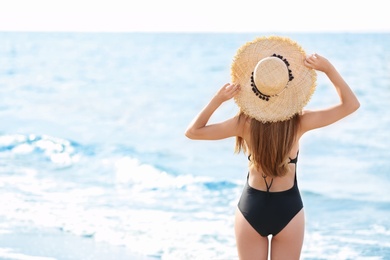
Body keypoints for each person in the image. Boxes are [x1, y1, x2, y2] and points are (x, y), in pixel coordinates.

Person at [185, 36, 360, 260]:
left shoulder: (244, 123)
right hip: (289, 209)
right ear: (287, 86)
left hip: (251, 208)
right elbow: (351, 105)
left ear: (254, 85)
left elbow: (193, 132)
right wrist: (328, 69)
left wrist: (218, 100)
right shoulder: (299, 122)